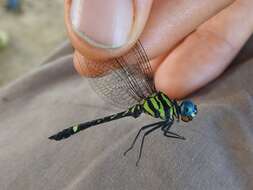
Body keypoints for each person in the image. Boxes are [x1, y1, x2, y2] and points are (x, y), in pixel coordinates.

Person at [0, 0, 252, 189]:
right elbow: (150, 132)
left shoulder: (166, 103)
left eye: (186, 111)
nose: (187, 111)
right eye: (186, 110)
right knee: (138, 127)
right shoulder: (166, 109)